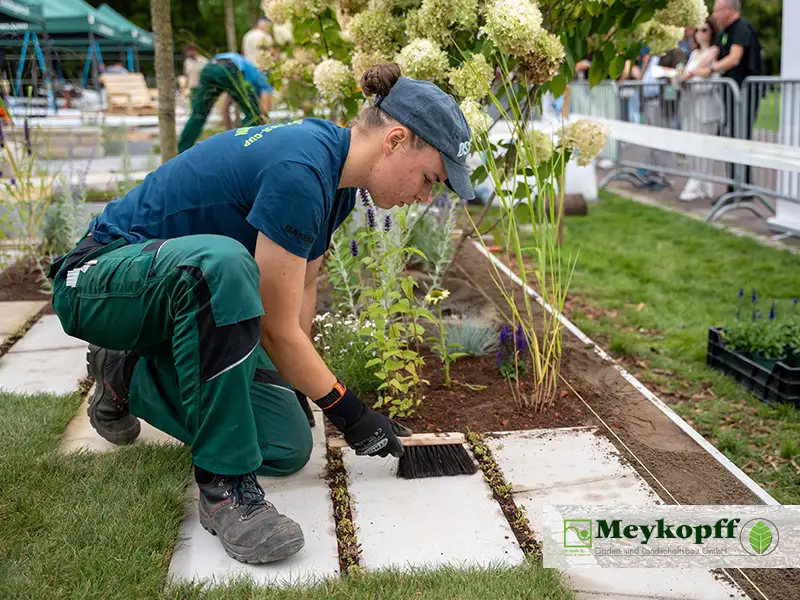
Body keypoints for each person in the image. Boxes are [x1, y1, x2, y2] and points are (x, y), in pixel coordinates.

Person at [45, 63, 475, 565]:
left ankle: (126, 372)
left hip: (174, 299)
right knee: (224, 264)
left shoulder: (336, 184)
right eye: (429, 179)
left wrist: (298, 388)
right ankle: (224, 488)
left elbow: (300, 292)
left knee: (287, 444)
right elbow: (273, 329)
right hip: (98, 279)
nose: (424, 196)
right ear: (396, 140)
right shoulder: (300, 169)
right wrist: (349, 411)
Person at [707, 0, 765, 189]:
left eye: (716, 11)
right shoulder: (724, 32)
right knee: (733, 136)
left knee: (741, 136)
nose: (714, 16)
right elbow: (713, 52)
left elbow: (734, 58)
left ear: (729, 10)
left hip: (744, 93)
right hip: (732, 93)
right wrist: (692, 71)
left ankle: (742, 185)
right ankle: (735, 184)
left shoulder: (741, 28)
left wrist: (710, 70)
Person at [177, 52, 273, 153]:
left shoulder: (238, 80)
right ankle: (246, 149)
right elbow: (264, 112)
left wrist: (229, 135)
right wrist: (263, 126)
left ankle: (182, 150)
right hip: (228, 67)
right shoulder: (262, 79)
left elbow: (224, 108)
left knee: (198, 114)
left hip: (209, 68)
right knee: (254, 114)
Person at [677, 19, 723, 201]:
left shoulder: (714, 53)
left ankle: (697, 183)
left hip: (707, 105)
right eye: (697, 30)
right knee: (693, 147)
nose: (700, 34)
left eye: (704, 30)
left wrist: (692, 80)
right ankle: (702, 184)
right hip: (690, 105)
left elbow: (713, 80)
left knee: (704, 147)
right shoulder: (695, 54)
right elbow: (687, 75)